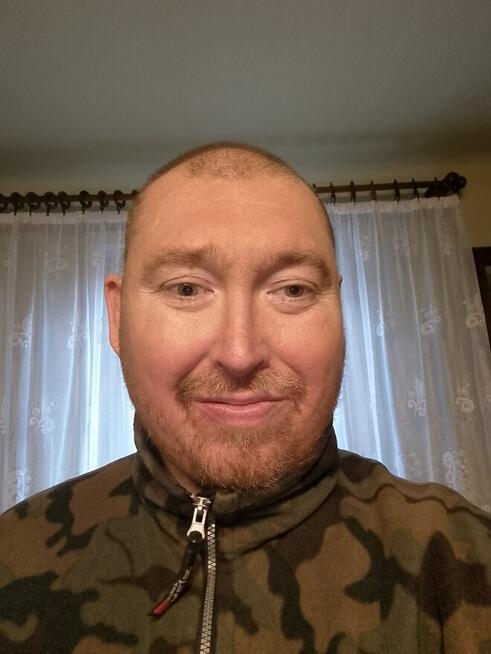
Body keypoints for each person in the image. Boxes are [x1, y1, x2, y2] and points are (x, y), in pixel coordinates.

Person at [0, 142, 490, 654]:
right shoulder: (14, 556)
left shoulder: (462, 555)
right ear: (117, 317)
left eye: (293, 290)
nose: (240, 354)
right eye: (187, 289)